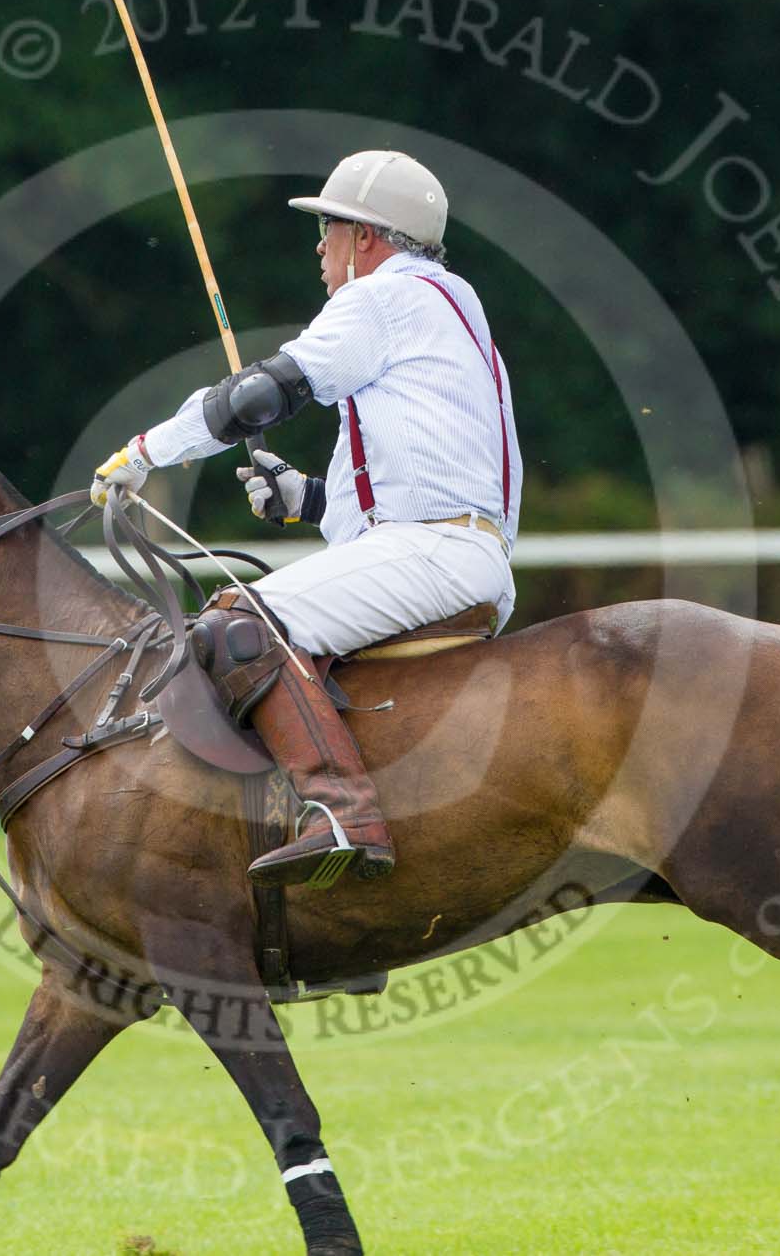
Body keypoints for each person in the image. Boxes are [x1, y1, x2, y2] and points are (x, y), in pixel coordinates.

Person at [91, 151, 523, 888]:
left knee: (235, 627)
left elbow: (261, 397)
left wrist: (143, 450)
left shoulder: (379, 302)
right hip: (459, 551)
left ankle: (338, 813)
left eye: (327, 231)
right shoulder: (455, 303)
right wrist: (307, 499)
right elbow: (423, 477)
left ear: (366, 237)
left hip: (434, 554)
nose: (318, 249)